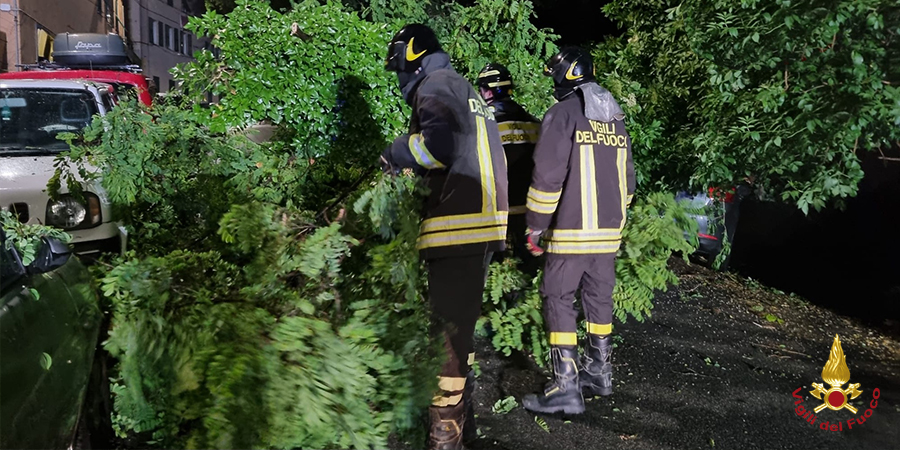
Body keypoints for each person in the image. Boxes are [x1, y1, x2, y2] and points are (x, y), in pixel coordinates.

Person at [381, 24, 509, 449]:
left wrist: (394, 152)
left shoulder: (434, 85)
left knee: (446, 337)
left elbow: (437, 148)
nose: (398, 75)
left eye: (397, 64)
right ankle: (463, 428)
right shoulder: (463, 87)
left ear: (409, 56)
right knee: (459, 332)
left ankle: (444, 437)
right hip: (482, 224)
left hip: (458, 224)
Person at [521, 47, 635, 415]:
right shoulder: (615, 119)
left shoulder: (562, 114)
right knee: (599, 299)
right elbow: (628, 182)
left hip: (571, 232)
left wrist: (535, 226)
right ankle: (599, 372)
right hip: (608, 234)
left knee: (558, 297)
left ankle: (566, 387)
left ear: (565, 75)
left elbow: (547, 177)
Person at [476, 63, 542, 276]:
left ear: (487, 91)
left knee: (494, 274)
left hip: (496, 214)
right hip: (531, 212)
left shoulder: (483, 125)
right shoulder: (533, 123)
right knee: (529, 272)